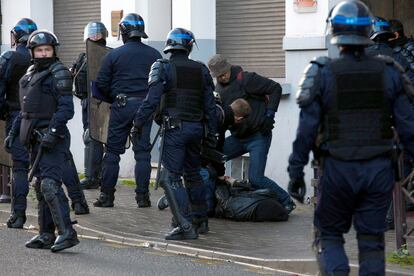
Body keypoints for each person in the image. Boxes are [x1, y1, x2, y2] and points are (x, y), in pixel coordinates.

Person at [287, 1, 414, 274]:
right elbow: (408, 128)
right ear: (368, 31)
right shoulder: (391, 71)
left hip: (337, 168)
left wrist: (295, 172)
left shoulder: (320, 72)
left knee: (330, 235)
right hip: (379, 169)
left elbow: (306, 130)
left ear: (333, 30)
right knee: (372, 242)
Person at [134, 27, 217, 240]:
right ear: (190, 46)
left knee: (171, 178)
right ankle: (201, 221)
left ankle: (184, 224)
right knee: (193, 174)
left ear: (169, 46)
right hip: (197, 129)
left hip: (175, 130)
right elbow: (210, 105)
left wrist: (137, 123)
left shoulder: (162, 67)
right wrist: (212, 133)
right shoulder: (202, 70)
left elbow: (151, 100)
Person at [8, 30, 79, 252]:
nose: (44, 53)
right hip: (34, 139)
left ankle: (67, 233)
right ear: (33, 52)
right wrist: (13, 133)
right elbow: (25, 111)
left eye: (47, 49)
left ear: (54, 50)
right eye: (39, 50)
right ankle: (45, 234)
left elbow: (66, 109)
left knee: (49, 184)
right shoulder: (30, 74)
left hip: (53, 138)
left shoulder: (59, 73)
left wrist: (54, 131)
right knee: (40, 186)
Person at [207, 54, 295, 213]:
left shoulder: (247, 79)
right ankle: (211, 200)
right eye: (218, 76)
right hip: (237, 138)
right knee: (212, 159)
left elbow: (275, 88)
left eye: (224, 73)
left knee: (256, 179)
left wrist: (269, 116)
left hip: (258, 136)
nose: (223, 77)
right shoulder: (218, 90)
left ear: (229, 67)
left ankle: (286, 200)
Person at [93, 13, 162, 208]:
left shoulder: (113, 55)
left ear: (123, 32)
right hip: (145, 107)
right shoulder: (154, 55)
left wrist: (113, 99)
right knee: (142, 153)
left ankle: (107, 197)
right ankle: (143, 198)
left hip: (121, 106)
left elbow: (101, 84)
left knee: (113, 153)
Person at [0, 18, 37, 228]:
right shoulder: (43, 58)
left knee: (20, 167)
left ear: (16, 36)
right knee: (50, 167)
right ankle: (77, 203)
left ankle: (18, 215)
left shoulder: (11, 57)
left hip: (16, 116)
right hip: (43, 120)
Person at [71, 22, 108, 190]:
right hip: (86, 101)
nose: (95, 36)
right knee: (89, 137)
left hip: (102, 103)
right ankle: (94, 174)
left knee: (96, 138)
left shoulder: (107, 55)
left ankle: (94, 176)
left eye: (97, 33)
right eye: (92, 34)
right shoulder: (83, 56)